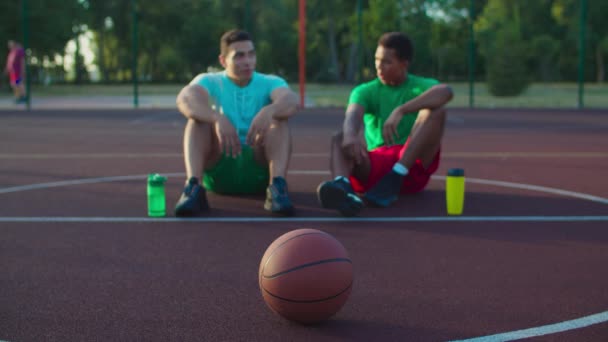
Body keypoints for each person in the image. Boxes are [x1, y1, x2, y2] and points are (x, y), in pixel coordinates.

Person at [316, 32, 453, 216]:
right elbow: (353, 115)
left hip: (411, 165)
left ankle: (396, 175)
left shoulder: (419, 86)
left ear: (404, 64)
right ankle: (344, 190)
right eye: (377, 59)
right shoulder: (366, 90)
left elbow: (446, 92)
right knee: (339, 137)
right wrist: (350, 136)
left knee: (436, 111)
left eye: (387, 62)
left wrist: (402, 109)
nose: (379, 66)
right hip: (376, 166)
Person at [174, 29, 299, 217]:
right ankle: (193, 187)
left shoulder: (270, 82)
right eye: (239, 56)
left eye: (251, 54)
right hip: (220, 165)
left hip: (259, 167)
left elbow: (291, 101)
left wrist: (269, 110)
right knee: (197, 122)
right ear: (223, 60)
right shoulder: (211, 80)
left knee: (278, 121)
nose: (247, 61)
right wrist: (217, 117)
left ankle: (277, 190)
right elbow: (185, 99)